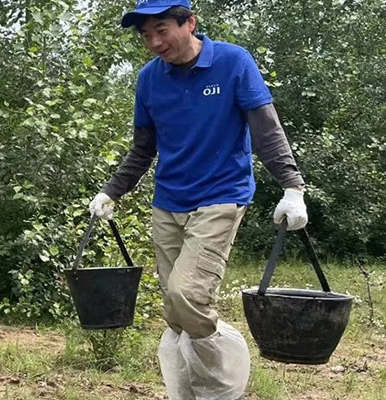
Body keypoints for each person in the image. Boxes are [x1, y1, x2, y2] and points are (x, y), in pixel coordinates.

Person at [88, 1, 308, 398]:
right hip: (168, 200)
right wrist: (111, 191)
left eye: (162, 30)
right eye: (145, 35)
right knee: (175, 311)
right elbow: (143, 149)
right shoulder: (149, 79)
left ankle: (224, 386)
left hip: (221, 196)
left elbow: (266, 131)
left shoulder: (233, 62)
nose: (154, 42)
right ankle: (188, 393)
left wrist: (293, 187)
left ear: (189, 23)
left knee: (187, 295)